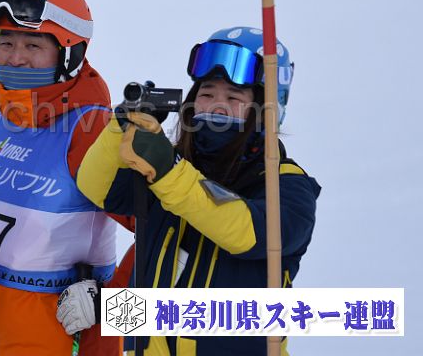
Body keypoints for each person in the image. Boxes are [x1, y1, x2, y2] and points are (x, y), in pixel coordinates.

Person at [74, 27, 321, 355]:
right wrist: (119, 128)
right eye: (206, 94)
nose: (216, 106)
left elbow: (244, 233)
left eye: (234, 98)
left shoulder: (286, 185)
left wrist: (169, 171)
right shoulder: (170, 170)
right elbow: (98, 188)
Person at [0, 0, 129, 355]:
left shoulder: (92, 131)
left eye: (33, 45)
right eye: (5, 42)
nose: (15, 58)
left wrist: (111, 303)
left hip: (66, 329)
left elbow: (162, 231)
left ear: (69, 53)